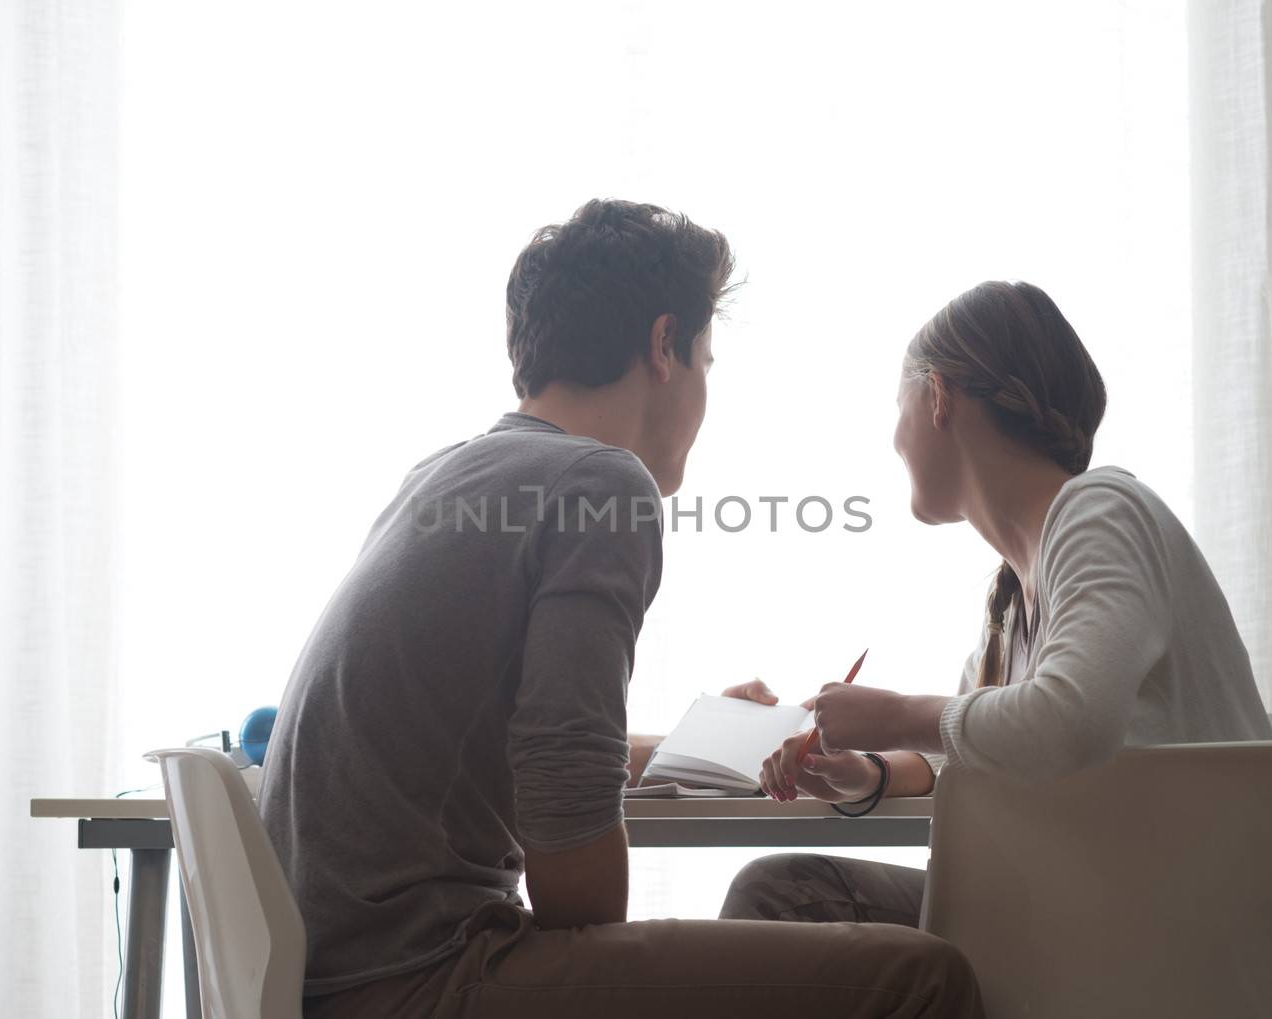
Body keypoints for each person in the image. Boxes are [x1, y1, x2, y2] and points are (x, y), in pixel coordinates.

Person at [260, 199, 984, 1018]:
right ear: (663, 345)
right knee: (928, 978)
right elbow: (573, 858)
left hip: (334, 975)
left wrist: (700, 745)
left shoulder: (446, 474)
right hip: (426, 978)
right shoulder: (601, 484)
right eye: (707, 362)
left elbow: (507, 744)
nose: (706, 391)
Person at [719, 280, 1272, 927]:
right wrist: (862, 771)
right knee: (782, 890)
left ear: (937, 397)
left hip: (1159, 920)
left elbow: (1066, 723)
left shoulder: (1102, 513)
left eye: (896, 402)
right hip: (1084, 896)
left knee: (784, 894)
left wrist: (896, 714)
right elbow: (971, 746)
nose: (893, 436)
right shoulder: (1010, 599)